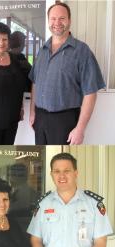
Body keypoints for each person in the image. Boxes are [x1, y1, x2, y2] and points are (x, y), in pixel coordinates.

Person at [29, 2, 105, 145]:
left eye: (62, 18)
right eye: (53, 18)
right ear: (48, 21)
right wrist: (32, 111)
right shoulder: (42, 50)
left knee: (62, 160)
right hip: (40, 118)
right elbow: (35, 82)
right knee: (42, 160)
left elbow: (90, 93)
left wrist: (80, 129)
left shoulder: (82, 51)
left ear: (69, 20)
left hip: (65, 121)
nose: (57, 22)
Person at [27, 153, 113, 247]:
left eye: (66, 171)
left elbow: (100, 242)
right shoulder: (43, 204)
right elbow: (36, 240)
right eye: (56, 171)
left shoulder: (94, 204)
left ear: (75, 173)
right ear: (51, 174)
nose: (61, 176)